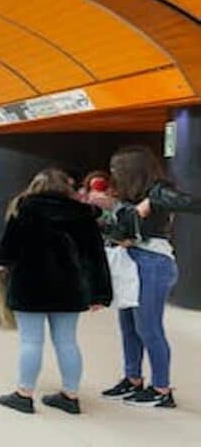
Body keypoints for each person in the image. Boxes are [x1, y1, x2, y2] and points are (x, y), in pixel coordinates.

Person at [0, 169, 112, 415]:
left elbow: (6, 252)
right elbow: (95, 257)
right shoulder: (83, 214)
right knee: (67, 341)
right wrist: (100, 294)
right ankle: (70, 396)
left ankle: (24, 395)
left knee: (31, 341)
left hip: (29, 285)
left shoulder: (24, 209)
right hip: (70, 288)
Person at [100, 146, 201, 408]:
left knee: (148, 327)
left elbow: (189, 203)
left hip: (153, 263)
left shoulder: (158, 192)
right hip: (130, 262)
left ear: (132, 170)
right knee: (129, 326)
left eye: (116, 169)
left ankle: (161, 389)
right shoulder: (128, 197)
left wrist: (147, 207)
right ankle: (132, 378)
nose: (113, 174)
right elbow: (117, 230)